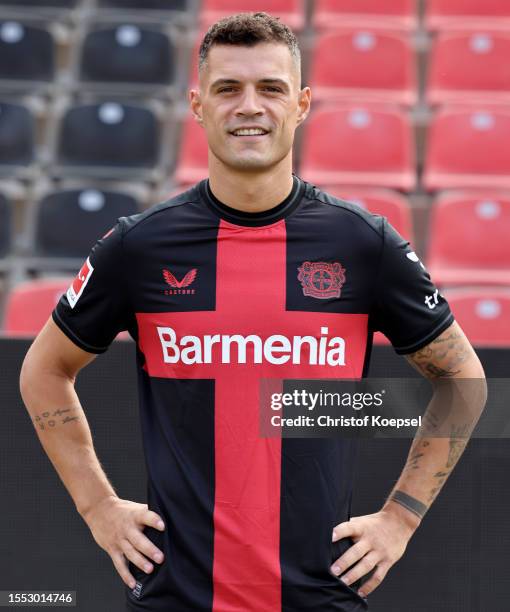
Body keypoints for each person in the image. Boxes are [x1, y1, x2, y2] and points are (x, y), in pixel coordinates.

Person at [19, 12, 487, 612]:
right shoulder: (138, 247)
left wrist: (401, 518)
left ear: (302, 104)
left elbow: (464, 383)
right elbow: (43, 371)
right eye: (227, 88)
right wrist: (97, 507)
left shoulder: (363, 245)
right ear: (196, 104)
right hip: (177, 593)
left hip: (320, 594)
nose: (249, 106)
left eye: (271, 88)